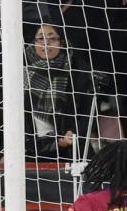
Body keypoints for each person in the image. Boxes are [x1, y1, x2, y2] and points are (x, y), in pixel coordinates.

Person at [23, 24, 94, 161]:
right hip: (29, 146)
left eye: (52, 38)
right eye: (40, 39)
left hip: (66, 145)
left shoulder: (77, 70)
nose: (46, 44)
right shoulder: (21, 67)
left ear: (61, 42)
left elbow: (88, 112)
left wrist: (72, 132)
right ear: (34, 42)